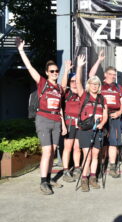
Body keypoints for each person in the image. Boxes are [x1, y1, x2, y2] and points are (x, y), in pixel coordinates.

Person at [17, 38, 67, 195]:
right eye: (52, 71)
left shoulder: (59, 88)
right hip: (43, 119)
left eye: (56, 71)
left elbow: (60, 108)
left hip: (56, 121)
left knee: (52, 151)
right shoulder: (43, 83)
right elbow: (30, 67)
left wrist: (64, 125)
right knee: (47, 151)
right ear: (47, 73)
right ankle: (43, 182)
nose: (54, 73)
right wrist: (21, 50)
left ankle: (49, 177)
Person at [89, 50, 122, 178]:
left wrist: (120, 112)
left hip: (114, 116)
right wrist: (99, 60)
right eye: (110, 74)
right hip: (101, 117)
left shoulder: (118, 87)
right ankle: (99, 166)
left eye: (114, 75)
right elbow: (91, 75)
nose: (113, 76)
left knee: (113, 143)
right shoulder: (100, 85)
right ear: (105, 74)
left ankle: (112, 167)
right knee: (101, 142)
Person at [76, 74, 108, 192]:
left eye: (97, 84)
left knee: (95, 154)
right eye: (92, 84)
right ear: (88, 85)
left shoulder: (102, 98)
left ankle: (93, 177)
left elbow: (105, 115)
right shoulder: (84, 95)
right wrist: (79, 67)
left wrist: (102, 124)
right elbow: (78, 83)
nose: (95, 86)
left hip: (98, 129)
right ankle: (84, 178)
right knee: (87, 155)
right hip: (85, 130)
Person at [61, 56, 86, 182]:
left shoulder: (82, 94)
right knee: (68, 147)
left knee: (77, 148)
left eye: (76, 81)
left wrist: (80, 67)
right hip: (69, 122)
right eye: (72, 81)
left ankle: (77, 168)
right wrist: (66, 70)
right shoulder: (66, 93)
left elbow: (81, 81)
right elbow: (63, 85)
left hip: (79, 124)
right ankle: (65, 170)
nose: (75, 84)